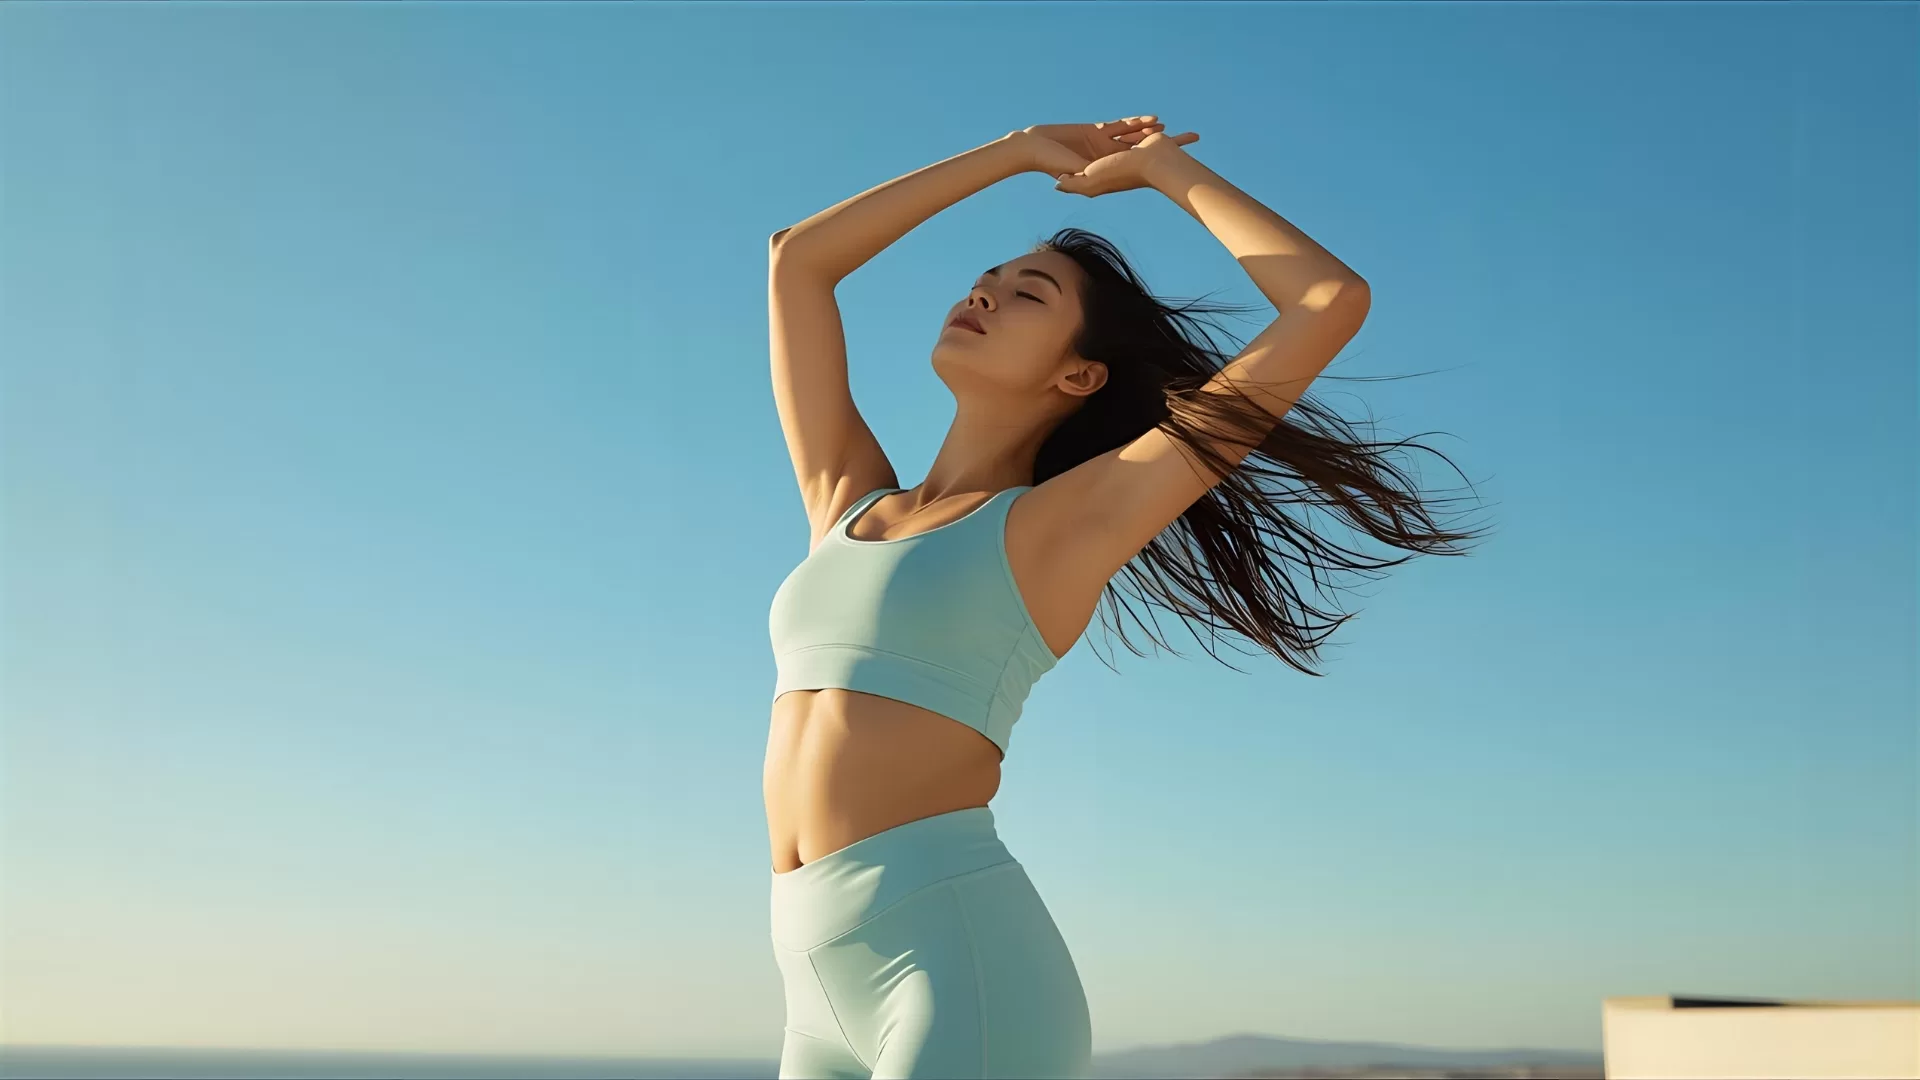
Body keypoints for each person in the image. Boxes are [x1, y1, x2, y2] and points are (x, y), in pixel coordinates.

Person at [763, 116, 1488, 1079]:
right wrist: (1016, 150)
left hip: (952, 959)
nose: (984, 292)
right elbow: (797, 262)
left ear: (1079, 374)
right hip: (809, 981)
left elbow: (1325, 301)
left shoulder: (1072, 520)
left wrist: (1162, 170)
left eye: (1029, 294)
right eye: (986, 279)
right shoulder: (847, 503)